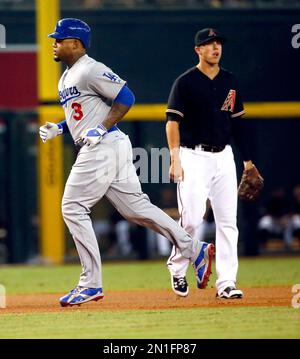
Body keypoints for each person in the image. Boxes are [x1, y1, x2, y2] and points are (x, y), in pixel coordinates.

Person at [39, 18, 214, 307]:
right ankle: (194, 249)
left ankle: (90, 284)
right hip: (106, 145)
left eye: (59, 39)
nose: (54, 44)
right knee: (137, 209)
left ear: (76, 43)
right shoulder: (66, 76)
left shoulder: (90, 69)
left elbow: (126, 97)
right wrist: (60, 127)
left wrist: (103, 127)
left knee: (72, 206)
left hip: (104, 146)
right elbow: (83, 115)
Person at [165, 28, 257, 299]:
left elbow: (238, 123)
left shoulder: (230, 80)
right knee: (192, 220)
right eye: (209, 44)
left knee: (228, 222)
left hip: (224, 157)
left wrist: (249, 161)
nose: (215, 48)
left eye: (218, 43)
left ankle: (226, 283)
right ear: (198, 50)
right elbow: (172, 122)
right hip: (193, 156)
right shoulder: (185, 82)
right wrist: (175, 158)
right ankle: (178, 267)